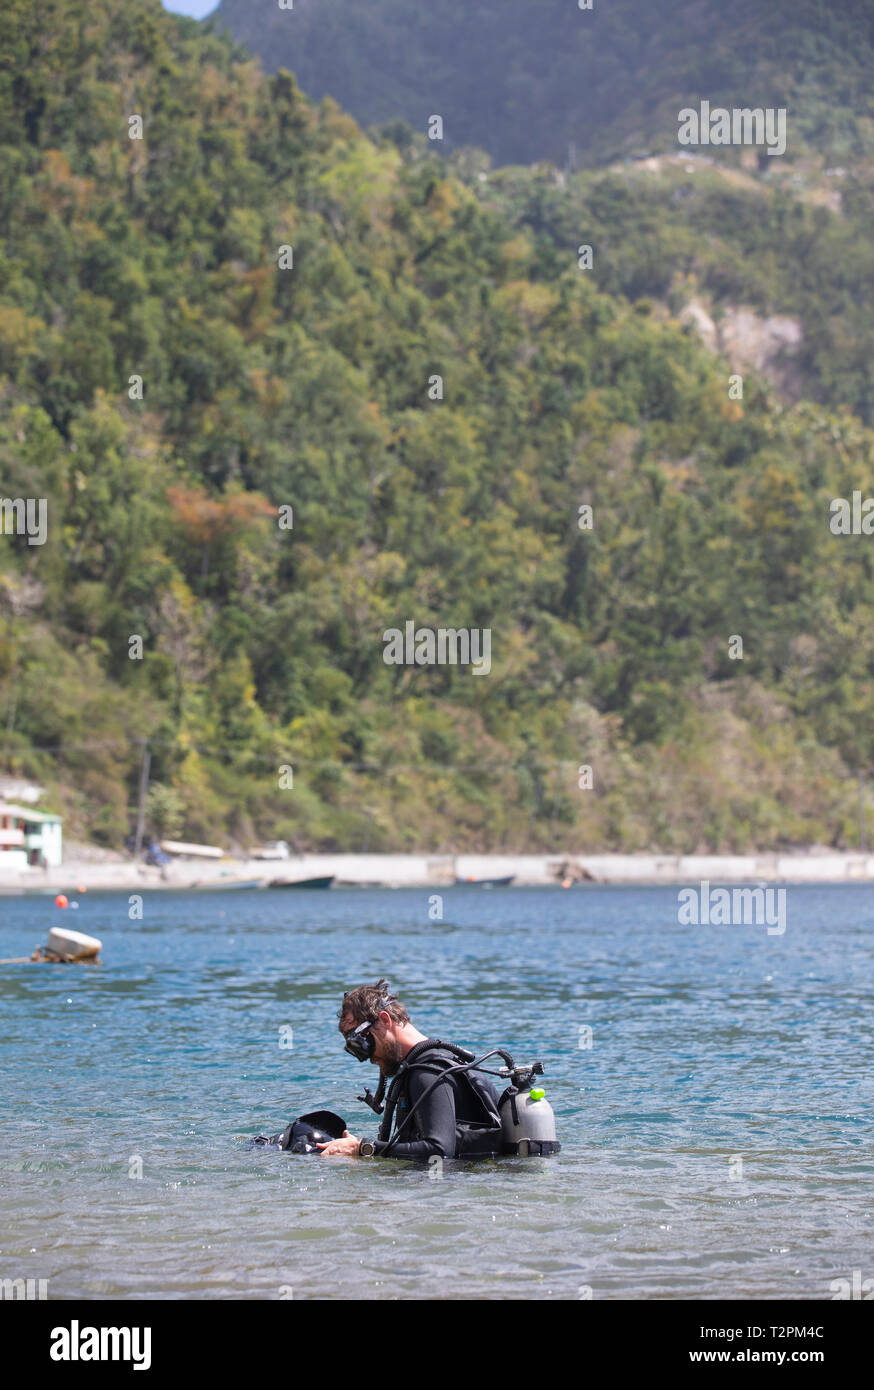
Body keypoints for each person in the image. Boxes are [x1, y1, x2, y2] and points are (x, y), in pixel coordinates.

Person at [317, 979, 503, 1159]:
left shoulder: (428, 1072)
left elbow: (440, 1150)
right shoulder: (423, 1067)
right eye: (356, 1051)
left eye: (363, 1044)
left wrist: (362, 1148)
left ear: (384, 1020)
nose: (367, 1058)